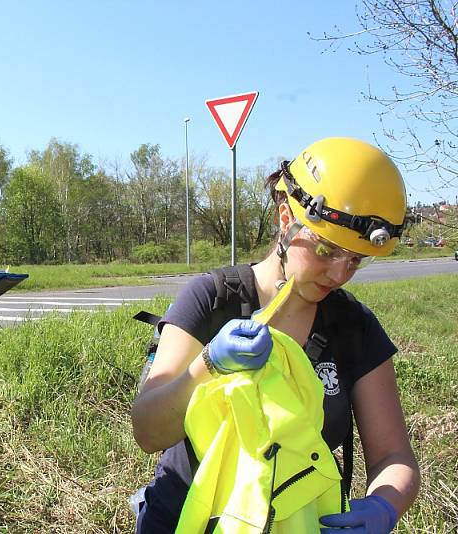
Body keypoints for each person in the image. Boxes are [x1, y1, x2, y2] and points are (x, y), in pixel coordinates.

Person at [131, 137, 421, 533]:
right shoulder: (212, 299)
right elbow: (147, 432)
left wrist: (383, 506)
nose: (339, 274)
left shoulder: (355, 328)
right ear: (287, 218)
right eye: (325, 251)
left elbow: (393, 456)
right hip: (184, 519)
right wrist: (207, 366)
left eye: (355, 259)